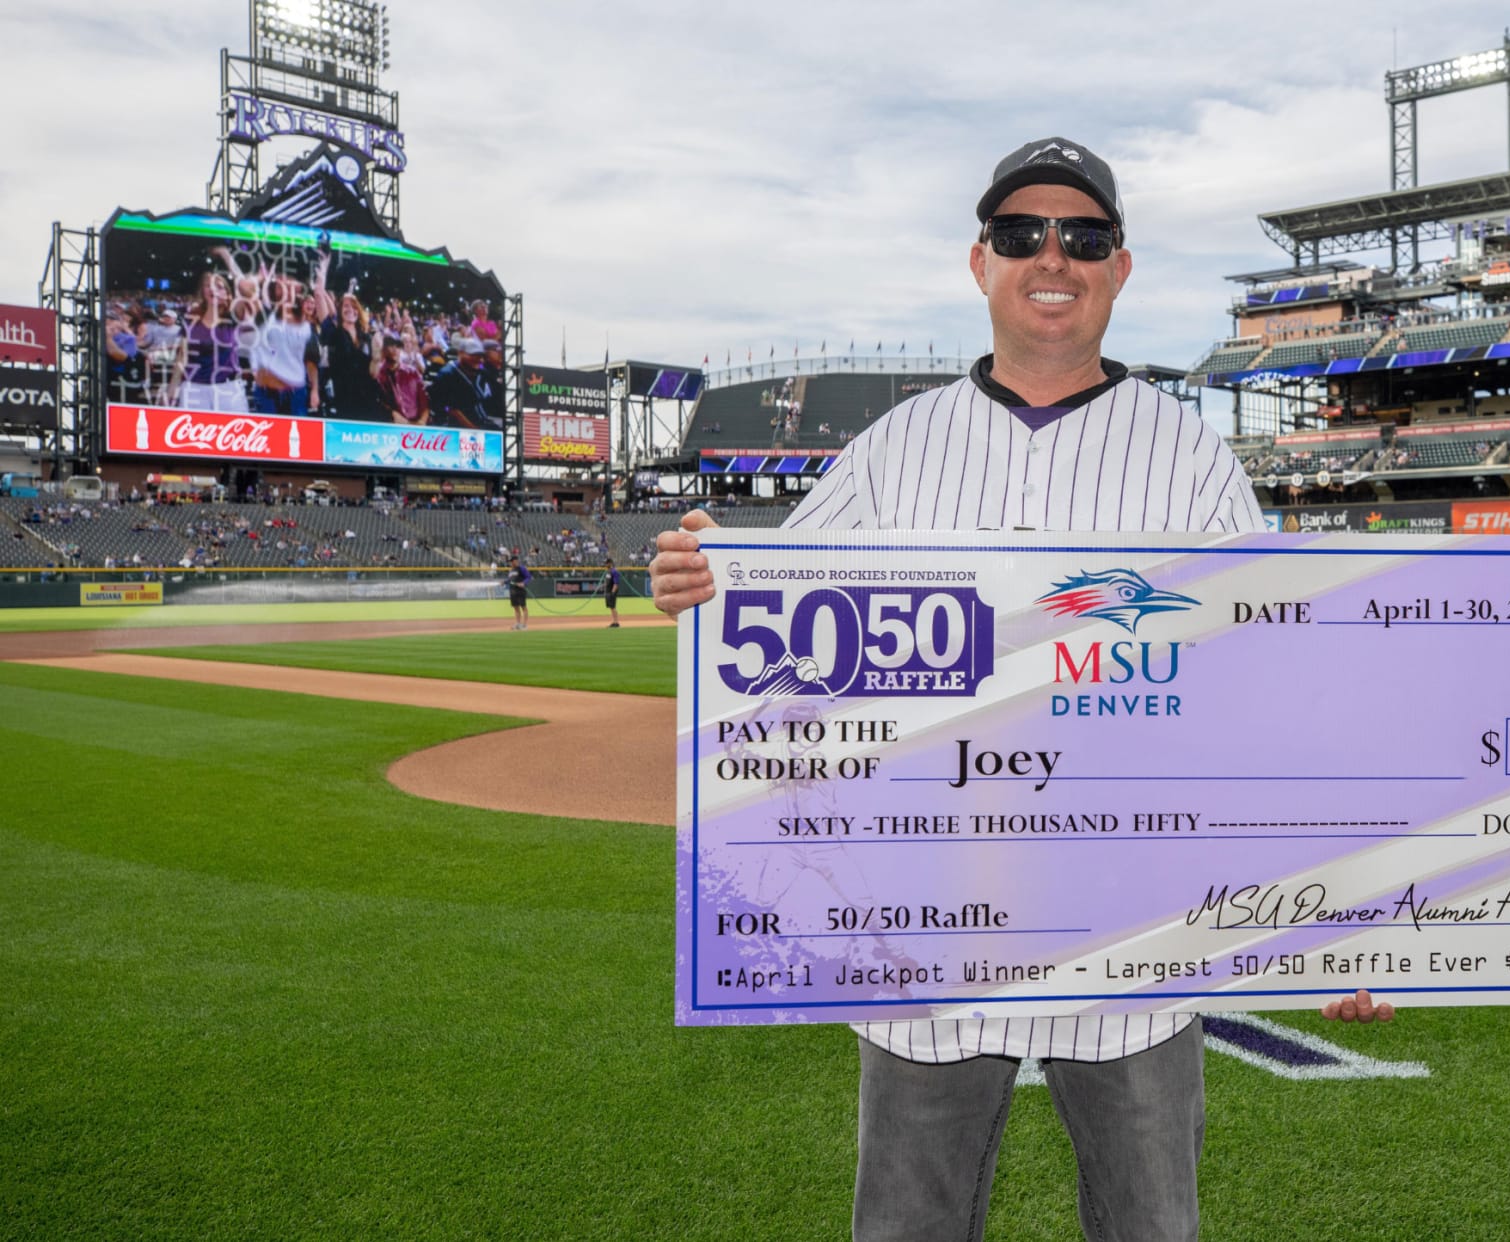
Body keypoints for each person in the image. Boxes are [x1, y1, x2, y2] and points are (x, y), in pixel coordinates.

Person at [650, 137, 1393, 1242]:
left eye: (1084, 236)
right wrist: (706, 579)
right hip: (925, 955)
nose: (1053, 255)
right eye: (1021, 233)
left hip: (1137, 947)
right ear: (980, 261)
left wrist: (1339, 925)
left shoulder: (1189, 456)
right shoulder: (894, 449)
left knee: (1153, 1229)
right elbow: (775, 637)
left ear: (1121, 268)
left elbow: (1264, 697)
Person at [505, 555, 531, 629]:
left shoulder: (522, 568)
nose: (510, 563)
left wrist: (523, 583)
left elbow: (528, 577)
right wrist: (504, 582)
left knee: (523, 607)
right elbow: (510, 580)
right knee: (516, 608)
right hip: (513, 590)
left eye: (511, 561)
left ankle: (524, 625)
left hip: (520, 590)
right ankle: (518, 623)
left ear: (515, 561)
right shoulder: (511, 570)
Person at [601, 560, 623, 627]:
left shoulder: (614, 572)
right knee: (611, 607)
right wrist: (603, 586)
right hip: (607, 591)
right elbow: (608, 582)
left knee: (613, 607)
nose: (605, 565)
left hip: (611, 592)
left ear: (610, 563)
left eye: (606, 563)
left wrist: (613, 592)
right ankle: (614, 621)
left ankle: (616, 622)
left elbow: (616, 583)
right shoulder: (608, 572)